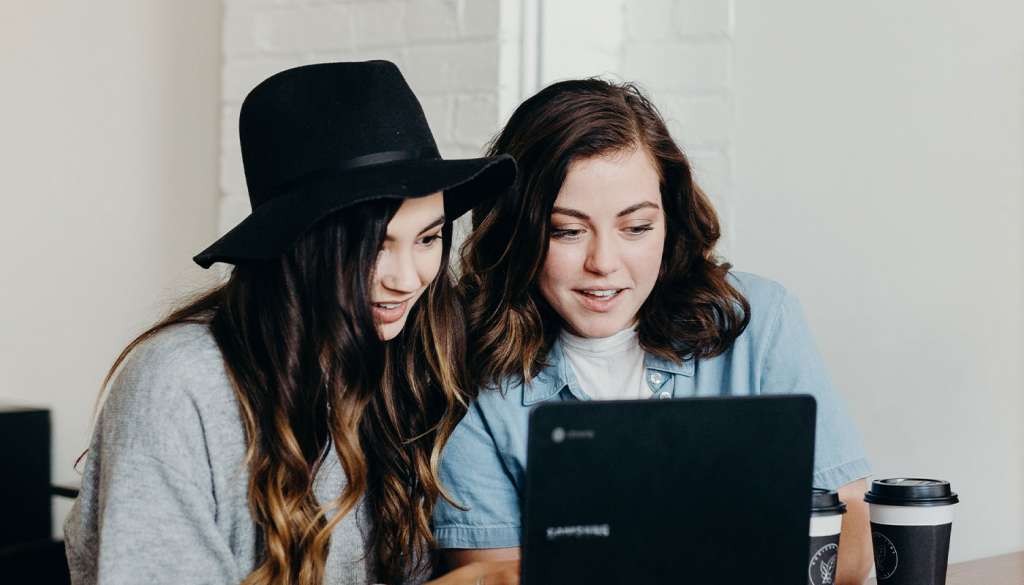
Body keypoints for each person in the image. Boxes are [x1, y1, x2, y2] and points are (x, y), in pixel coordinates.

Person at [64, 61, 519, 585]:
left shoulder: (407, 361)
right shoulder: (180, 384)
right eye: (374, 247)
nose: (409, 278)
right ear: (301, 247)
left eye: (428, 238)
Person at [434, 78, 874, 584]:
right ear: (518, 231)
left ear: (670, 220)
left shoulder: (757, 321)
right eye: (568, 231)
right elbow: (490, 574)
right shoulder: (468, 365)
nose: (603, 263)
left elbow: (852, 547)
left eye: (636, 227)